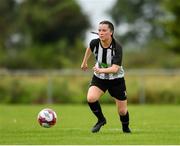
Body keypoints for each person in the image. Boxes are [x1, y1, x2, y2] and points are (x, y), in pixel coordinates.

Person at [81, 20, 131, 133]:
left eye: (104, 30)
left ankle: (125, 128)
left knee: (122, 111)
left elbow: (115, 69)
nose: (101, 33)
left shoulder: (117, 47)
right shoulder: (95, 43)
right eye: (99, 30)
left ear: (111, 32)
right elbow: (89, 47)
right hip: (99, 79)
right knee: (91, 98)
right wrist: (84, 62)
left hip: (116, 80)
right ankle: (101, 120)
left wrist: (100, 69)